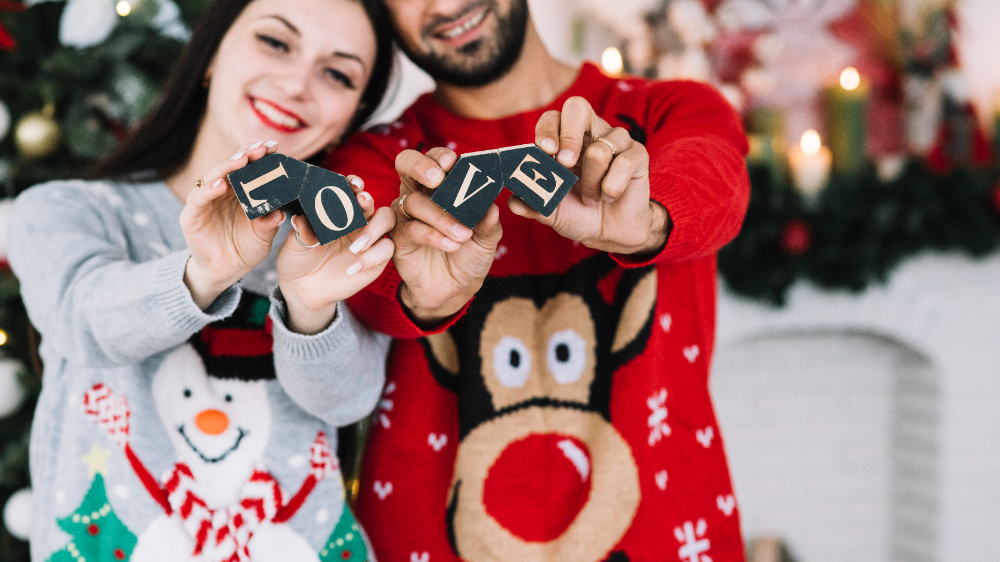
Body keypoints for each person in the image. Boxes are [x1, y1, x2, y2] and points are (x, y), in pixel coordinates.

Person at [323, 0, 752, 560]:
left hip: (666, 537)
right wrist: (417, 293)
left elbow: (716, 178)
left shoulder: (669, 109)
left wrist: (648, 221)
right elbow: (360, 290)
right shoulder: (374, 161)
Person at [9, 0, 396, 559]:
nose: (296, 83)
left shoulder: (331, 246)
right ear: (211, 55)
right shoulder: (65, 209)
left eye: (337, 73)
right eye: (276, 42)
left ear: (352, 114)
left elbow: (348, 400)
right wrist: (205, 272)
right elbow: (84, 321)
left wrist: (310, 305)